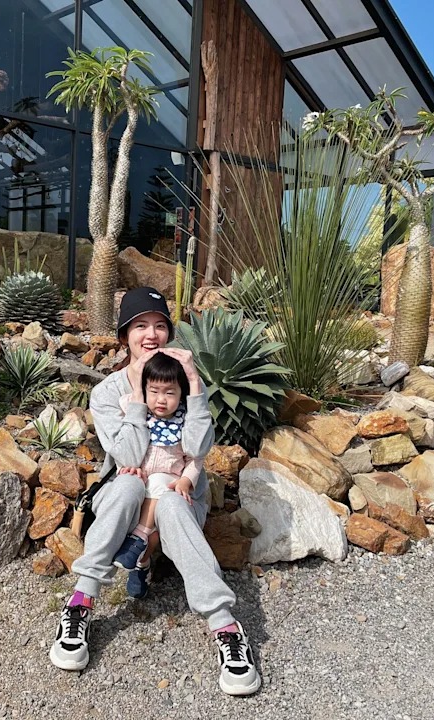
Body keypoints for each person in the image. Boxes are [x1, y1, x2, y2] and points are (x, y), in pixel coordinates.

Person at [49, 287, 261, 697]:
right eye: (140, 325)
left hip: (177, 491)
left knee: (174, 504)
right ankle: (80, 603)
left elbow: (198, 449)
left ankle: (225, 626)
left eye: (160, 325)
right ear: (124, 334)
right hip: (125, 493)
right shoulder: (107, 393)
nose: (151, 334)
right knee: (129, 483)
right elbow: (128, 455)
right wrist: (136, 400)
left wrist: (194, 383)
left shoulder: (183, 382)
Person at [110, 352, 202, 580]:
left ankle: (140, 552)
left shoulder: (185, 420)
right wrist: (127, 466)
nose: (161, 400)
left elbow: (195, 458)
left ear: (181, 394)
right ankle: (141, 561)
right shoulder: (135, 408)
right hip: (141, 480)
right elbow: (123, 442)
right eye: (154, 391)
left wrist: (186, 480)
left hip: (167, 483)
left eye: (170, 393)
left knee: (153, 528)